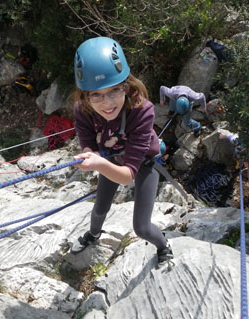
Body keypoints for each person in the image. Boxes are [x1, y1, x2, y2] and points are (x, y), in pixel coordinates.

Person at [71, 36, 173, 268]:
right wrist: (89, 154)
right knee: (99, 208)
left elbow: (128, 176)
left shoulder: (142, 111)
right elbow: (88, 142)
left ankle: (164, 246)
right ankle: (93, 235)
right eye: (96, 94)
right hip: (109, 158)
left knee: (142, 228)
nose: (107, 103)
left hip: (144, 165)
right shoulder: (83, 109)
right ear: (85, 94)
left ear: (126, 86)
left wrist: (97, 163)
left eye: (115, 90)